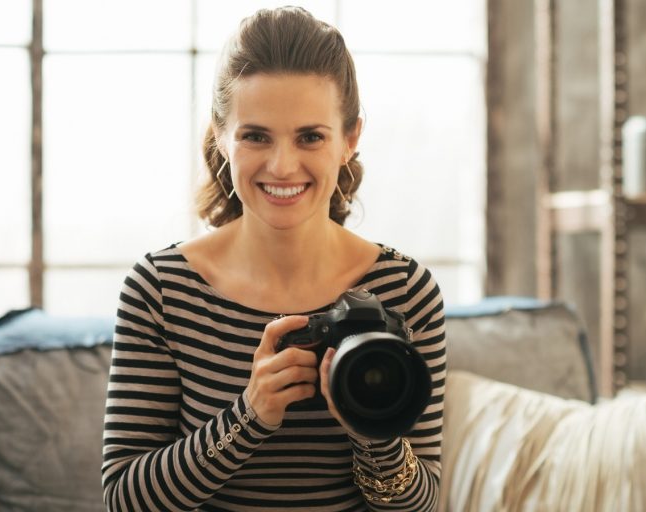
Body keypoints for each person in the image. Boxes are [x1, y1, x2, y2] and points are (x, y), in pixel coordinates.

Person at [101, 6, 445, 511]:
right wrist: (248, 417)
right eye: (256, 135)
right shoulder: (161, 289)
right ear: (221, 135)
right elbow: (123, 499)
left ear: (350, 140)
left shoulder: (405, 289)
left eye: (310, 136)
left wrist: (371, 431)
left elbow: (421, 505)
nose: (283, 166)